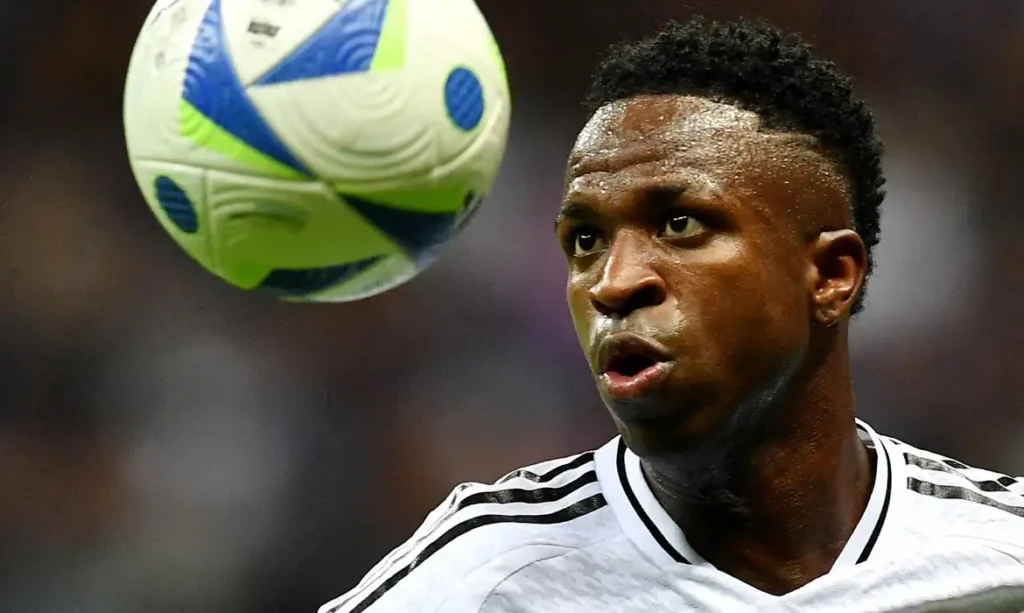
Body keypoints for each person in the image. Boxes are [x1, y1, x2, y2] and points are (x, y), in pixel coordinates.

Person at [319, 18, 1024, 613]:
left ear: (830, 275)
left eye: (681, 223)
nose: (613, 282)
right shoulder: (483, 577)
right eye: (585, 241)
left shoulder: (1000, 556)